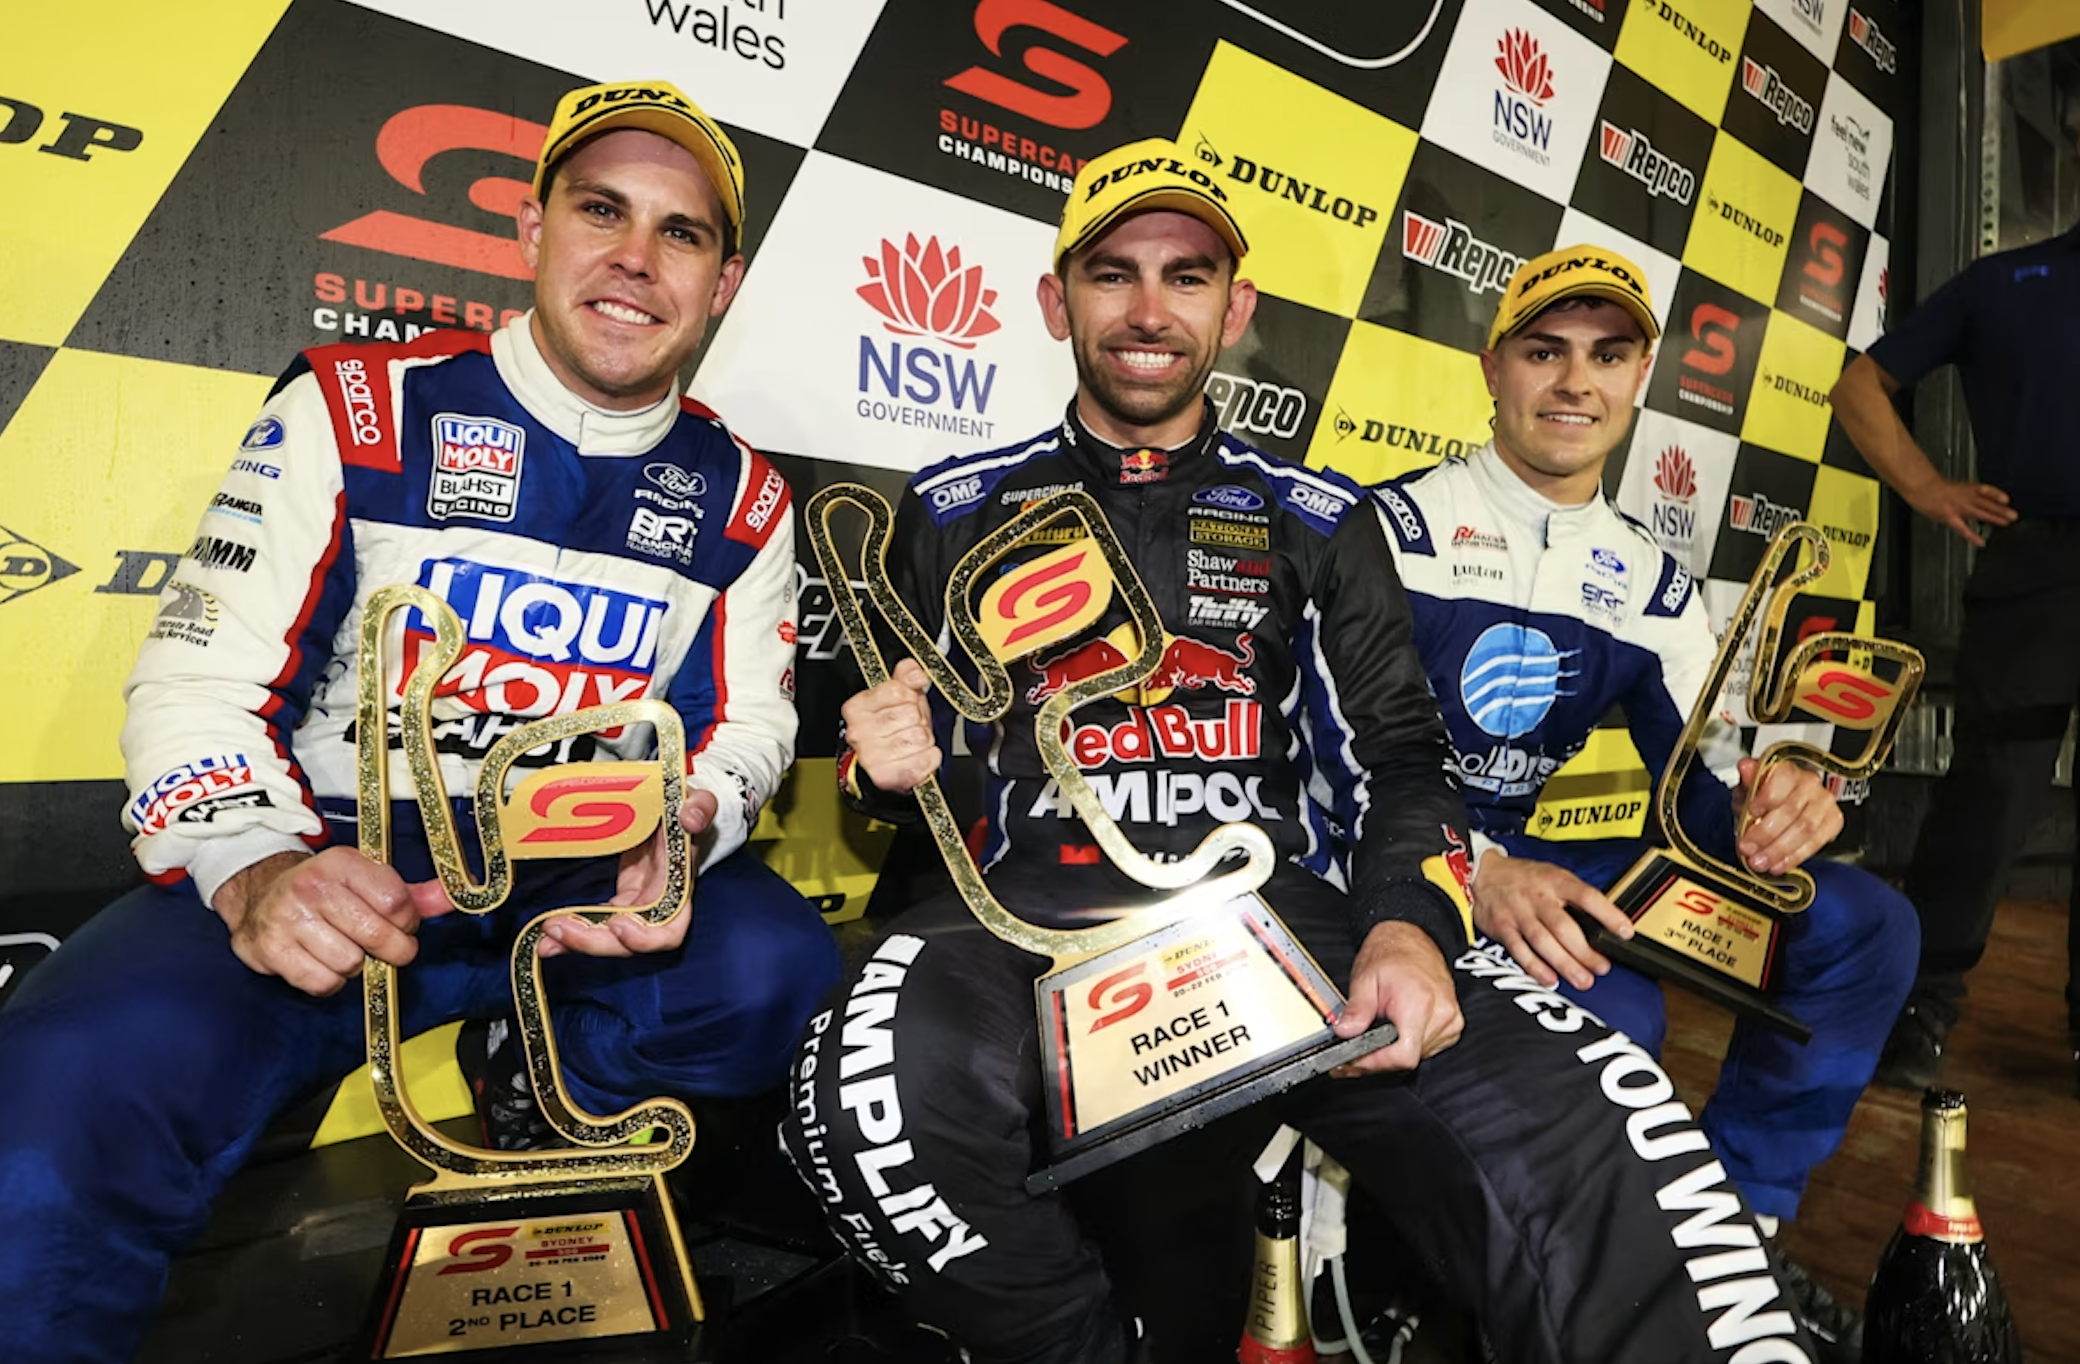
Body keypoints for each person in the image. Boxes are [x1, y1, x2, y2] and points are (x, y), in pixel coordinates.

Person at [781, 140, 1821, 1364]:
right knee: (856, 1099)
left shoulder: (1317, 513)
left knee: (1608, 1113)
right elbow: (893, 776)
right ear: (1056, 301)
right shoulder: (953, 503)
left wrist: (1405, 925)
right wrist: (881, 768)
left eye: (1188, 275)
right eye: (1112, 275)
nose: (1150, 309)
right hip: (1018, 916)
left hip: (1267, 912)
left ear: (1238, 306)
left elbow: (1399, 751)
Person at [0, 80, 839, 1364]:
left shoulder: (743, 498)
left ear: (720, 283)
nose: (634, 257)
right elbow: (200, 682)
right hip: (341, 865)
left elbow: (745, 727)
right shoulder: (360, 404)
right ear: (530, 229)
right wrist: (259, 868)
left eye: (681, 233)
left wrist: (691, 821)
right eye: (601, 209)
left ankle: (549, 1121)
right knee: (57, 1107)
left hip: (570, 874)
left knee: (773, 965)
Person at [1372, 244, 1920, 1364]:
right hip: (1392, 853)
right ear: (1493, 367)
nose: (1575, 381)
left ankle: (1733, 1228)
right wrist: (1469, 860)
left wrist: (1782, 802)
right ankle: (1480, 1276)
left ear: (1638, 379)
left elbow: (1711, 781)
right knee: (1621, 1014)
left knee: (1868, 926)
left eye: (1607, 355)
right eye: (1545, 350)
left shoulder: (1652, 580)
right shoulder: (1382, 530)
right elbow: (1318, 763)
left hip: (1547, 859)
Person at [1828, 103, 2080, 1092]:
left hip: (2026, 576)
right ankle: (1914, 1010)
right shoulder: (2001, 282)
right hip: (2032, 567)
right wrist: (1929, 489)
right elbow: (1860, 387)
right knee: (1988, 798)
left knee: (1988, 796)